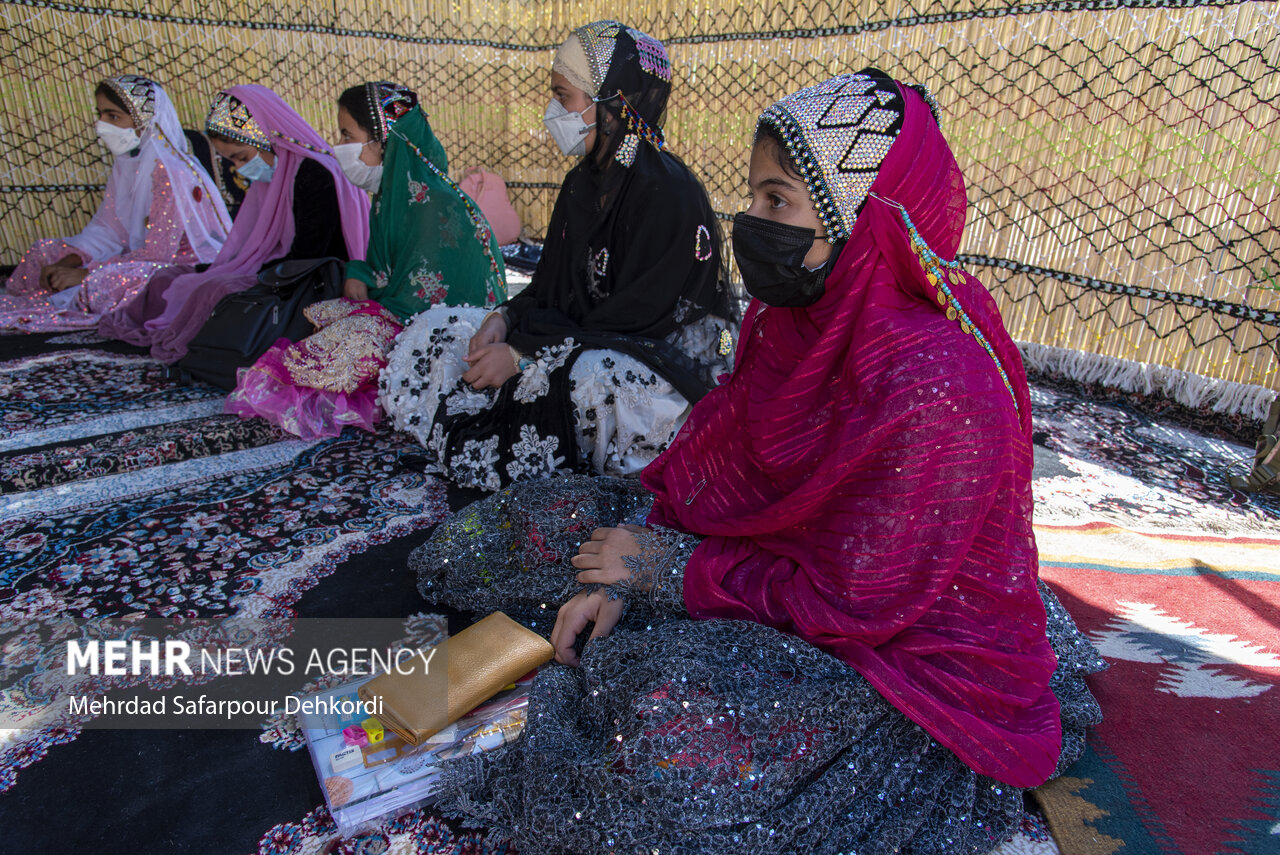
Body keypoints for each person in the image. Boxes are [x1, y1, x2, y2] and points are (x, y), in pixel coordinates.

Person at [408, 71, 1104, 854]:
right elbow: (709, 454)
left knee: (662, 723)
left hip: (896, 647)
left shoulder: (938, 384)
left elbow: (856, 603)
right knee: (522, 529)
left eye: (779, 202)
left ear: (862, 218)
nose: (751, 221)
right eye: (754, 196)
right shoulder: (789, 320)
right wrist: (629, 552)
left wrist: (670, 572)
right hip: (771, 559)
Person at [379, 21, 738, 490]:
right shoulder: (581, 185)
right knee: (439, 327)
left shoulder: (667, 190)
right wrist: (506, 319)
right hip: (580, 337)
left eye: (563, 96)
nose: (553, 111)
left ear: (613, 102)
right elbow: (551, 287)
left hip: (655, 359)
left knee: (587, 377)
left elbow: (638, 319)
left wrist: (527, 354)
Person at [224, 82, 507, 439]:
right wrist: (360, 274)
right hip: (407, 309)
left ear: (384, 139)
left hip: (451, 327)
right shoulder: (390, 196)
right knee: (328, 318)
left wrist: (370, 310)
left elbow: (425, 298)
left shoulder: (433, 201)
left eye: (347, 133)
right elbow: (384, 266)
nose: (339, 144)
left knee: (349, 338)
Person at [99, 84, 370, 363]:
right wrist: (223, 268)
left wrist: (242, 274)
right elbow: (250, 247)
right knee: (169, 277)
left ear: (267, 137)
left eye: (241, 157)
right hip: (279, 270)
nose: (240, 168)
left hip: (312, 281)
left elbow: (307, 257)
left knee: (214, 290)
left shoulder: (315, 173)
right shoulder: (276, 175)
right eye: (232, 161)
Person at [0, 75, 229, 332]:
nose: (101, 126)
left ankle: (77, 294)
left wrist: (87, 274)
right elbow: (109, 229)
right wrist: (70, 261)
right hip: (132, 258)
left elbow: (158, 254)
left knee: (112, 281)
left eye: (113, 116)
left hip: (178, 268)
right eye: (100, 115)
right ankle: (67, 293)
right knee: (43, 252)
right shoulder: (127, 164)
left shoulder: (172, 171)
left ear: (145, 120)